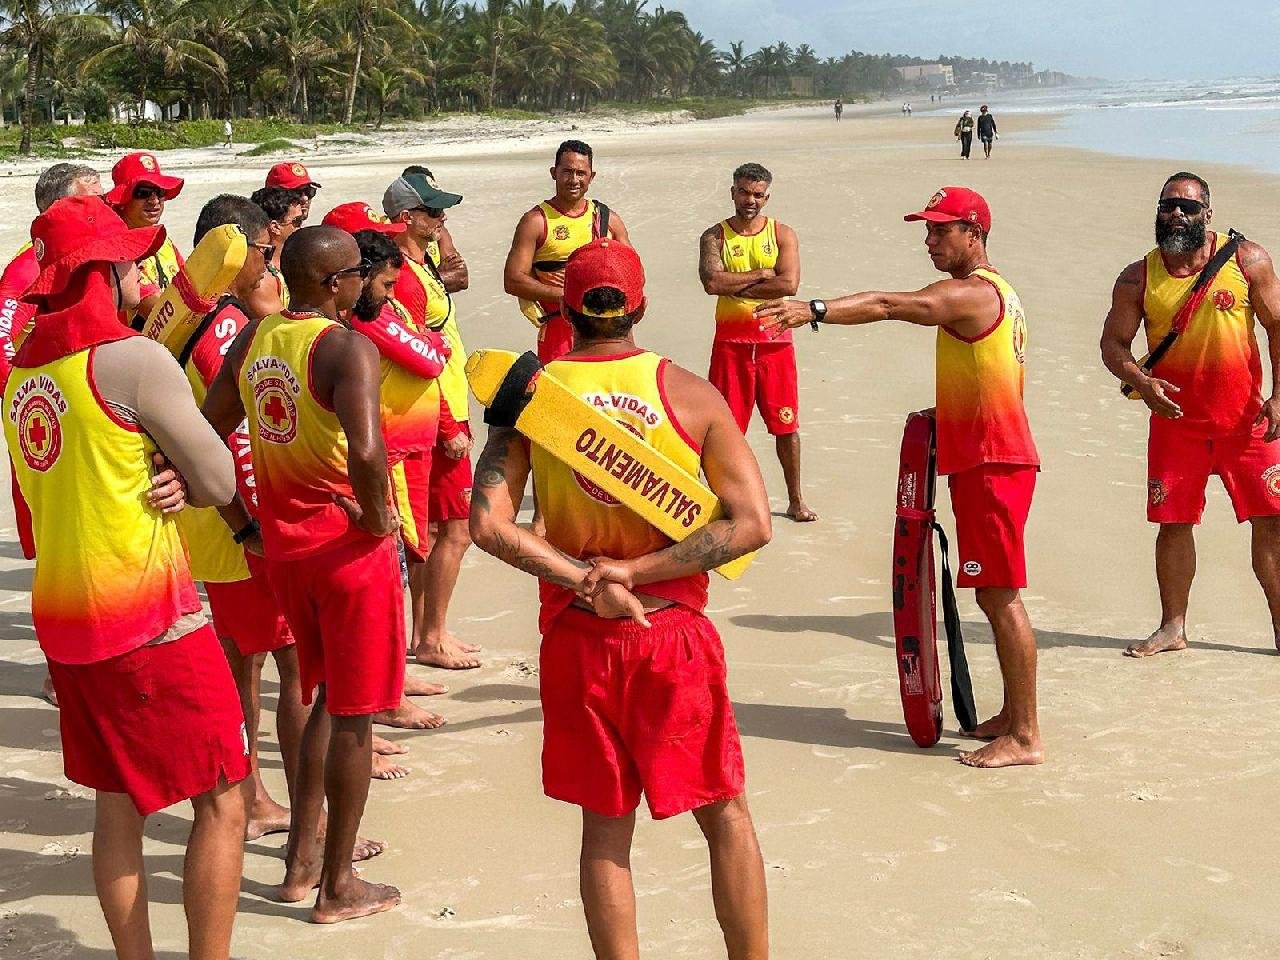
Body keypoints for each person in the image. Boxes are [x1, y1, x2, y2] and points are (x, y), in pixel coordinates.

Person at [470, 237, 773, 960]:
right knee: (724, 815)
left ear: (564, 309)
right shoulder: (689, 393)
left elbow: (487, 524)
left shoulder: (532, 401)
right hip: (671, 635)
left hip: (578, 635)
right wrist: (637, 572)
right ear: (640, 306)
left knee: (605, 832)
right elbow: (751, 525)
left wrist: (587, 579)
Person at [3, 195, 247, 958]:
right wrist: (182, 471)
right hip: (147, 619)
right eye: (134, 261)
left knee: (117, 807)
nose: (148, 272)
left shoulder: (20, 377)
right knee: (223, 797)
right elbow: (219, 481)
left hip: (66, 622)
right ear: (104, 273)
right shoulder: (132, 361)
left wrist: (161, 464)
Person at [757, 186, 1044, 769]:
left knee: (999, 594)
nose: (929, 240)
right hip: (991, 455)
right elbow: (993, 373)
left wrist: (814, 311)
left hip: (992, 463)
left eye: (941, 229)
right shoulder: (1002, 292)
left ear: (974, 232)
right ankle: (1014, 715)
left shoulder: (971, 293)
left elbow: (892, 304)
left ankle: (1026, 736)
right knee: (991, 591)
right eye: (927, 229)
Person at [203, 225, 404, 923]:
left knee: (323, 698)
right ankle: (338, 885)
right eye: (356, 272)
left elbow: (206, 433)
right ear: (332, 283)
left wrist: (243, 523)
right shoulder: (345, 347)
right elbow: (368, 453)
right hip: (346, 553)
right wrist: (377, 519)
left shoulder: (255, 340)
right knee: (353, 712)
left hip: (285, 552)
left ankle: (301, 862)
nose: (363, 281)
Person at [1100, 172, 1280, 656]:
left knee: (1273, 520)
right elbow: (1113, 344)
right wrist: (1142, 382)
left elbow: (1278, 325)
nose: (1177, 214)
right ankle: (1172, 628)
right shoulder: (1137, 277)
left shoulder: (1247, 260)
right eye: (1168, 206)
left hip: (1248, 424)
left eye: (1188, 207)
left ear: (1207, 214)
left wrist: (1279, 395)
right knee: (1173, 524)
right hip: (1175, 425)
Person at [177, 194, 311, 836]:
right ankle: (296, 818)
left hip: (210, 523)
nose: (271, 265)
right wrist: (259, 528)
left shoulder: (185, 313)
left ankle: (250, 793)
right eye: (265, 252)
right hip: (241, 522)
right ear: (236, 252)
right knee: (294, 668)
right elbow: (234, 435)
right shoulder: (226, 329)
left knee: (242, 663)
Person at [323, 200, 457, 728]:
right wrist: (434, 343)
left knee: (399, 568)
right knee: (388, 573)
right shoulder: (368, 317)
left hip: (408, 450)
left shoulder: (383, 308)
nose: (390, 290)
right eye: (383, 282)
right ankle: (383, 692)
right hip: (392, 456)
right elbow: (430, 358)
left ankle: (392, 678)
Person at [384, 172, 484, 676]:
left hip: (443, 401)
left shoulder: (419, 264)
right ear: (406, 217)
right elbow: (415, 353)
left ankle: (428, 629)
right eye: (434, 211)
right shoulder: (403, 276)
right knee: (456, 529)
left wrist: (440, 237)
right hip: (434, 409)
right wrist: (449, 425)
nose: (443, 218)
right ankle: (431, 635)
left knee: (430, 527)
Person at [698, 162, 815, 522]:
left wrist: (737, 284)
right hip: (730, 345)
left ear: (767, 197)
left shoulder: (782, 234)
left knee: (786, 425)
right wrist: (763, 274)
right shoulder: (714, 236)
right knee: (725, 429)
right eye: (744, 192)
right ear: (733, 192)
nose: (750, 200)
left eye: (758, 195)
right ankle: (724, 501)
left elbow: (789, 284)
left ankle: (795, 500)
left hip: (775, 343)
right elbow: (712, 282)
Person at [503, 139, 630, 364]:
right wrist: (568, 295)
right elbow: (513, 280)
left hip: (609, 332)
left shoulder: (607, 219)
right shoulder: (536, 221)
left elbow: (633, 273)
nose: (574, 180)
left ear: (591, 177)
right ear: (554, 173)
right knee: (559, 386)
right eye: (567, 172)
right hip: (560, 331)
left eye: (581, 173)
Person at [106, 152, 186, 326]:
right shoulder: (119, 250)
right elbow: (157, 310)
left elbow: (190, 282)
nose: (154, 201)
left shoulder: (164, 241)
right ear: (123, 200)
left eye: (159, 192)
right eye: (143, 193)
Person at [250, 185, 306, 309]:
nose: (301, 227)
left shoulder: (296, 260)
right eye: (297, 221)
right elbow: (277, 321)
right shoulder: (260, 276)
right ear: (275, 227)